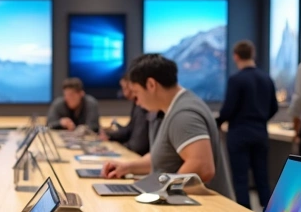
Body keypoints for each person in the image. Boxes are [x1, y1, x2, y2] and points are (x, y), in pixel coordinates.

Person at [100, 54, 234, 199]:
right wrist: (127, 167)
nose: (137, 102)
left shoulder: (184, 114)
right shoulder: (174, 109)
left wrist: (160, 190)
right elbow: (163, 158)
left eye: (137, 93)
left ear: (151, 85)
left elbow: (202, 167)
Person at [217, 40, 279, 209]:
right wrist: (261, 119)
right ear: (253, 55)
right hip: (260, 132)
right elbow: (274, 107)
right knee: (262, 176)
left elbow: (228, 109)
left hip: (239, 133)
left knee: (240, 178)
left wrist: (218, 122)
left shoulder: (236, 80)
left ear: (236, 56)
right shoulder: (267, 78)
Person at [101, 73, 151, 155]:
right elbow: (129, 129)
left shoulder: (143, 106)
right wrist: (110, 136)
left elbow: (137, 145)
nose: (124, 93)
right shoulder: (137, 103)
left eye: (124, 88)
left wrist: (117, 148)